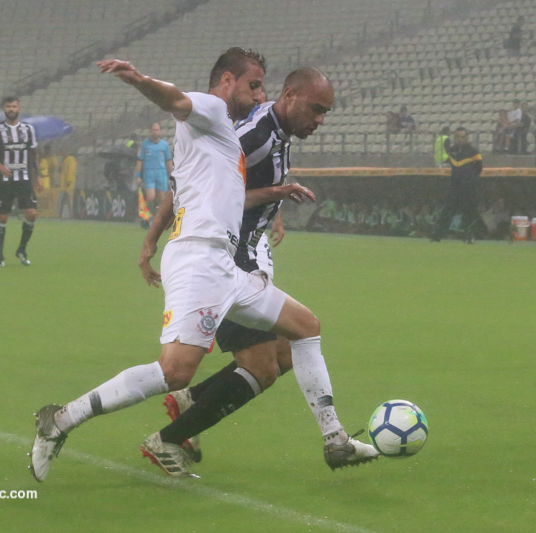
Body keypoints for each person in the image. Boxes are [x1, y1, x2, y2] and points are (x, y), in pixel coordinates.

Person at [29, 48, 377, 482]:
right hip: (200, 259)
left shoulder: (226, 134)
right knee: (173, 371)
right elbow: (176, 100)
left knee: (305, 326)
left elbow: (210, 187)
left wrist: (271, 200)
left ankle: (335, 440)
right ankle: (59, 421)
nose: (259, 95)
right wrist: (137, 78)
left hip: (227, 265)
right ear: (227, 81)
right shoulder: (213, 110)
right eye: (253, 86)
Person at [142, 68, 331, 467]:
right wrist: (151, 238)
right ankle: (168, 439)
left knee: (284, 355)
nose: (320, 120)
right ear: (291, 96)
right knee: (262, 367)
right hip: (224, 258)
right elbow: (186, 186)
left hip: (245, 251)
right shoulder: (254, 134)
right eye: (316, 109)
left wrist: (271, 209)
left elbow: (243, 183)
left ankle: (188, 403)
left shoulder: (275, 129)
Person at [0, 96, 39, 267]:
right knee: (3, 217)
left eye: (14, 106)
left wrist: (38, 176)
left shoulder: (28, 129)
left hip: (24, 178)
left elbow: (33, 153)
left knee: (32, 213)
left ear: (19, 109)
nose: (11, 109)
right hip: (6, 179)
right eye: (8, 106)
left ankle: (22, 249)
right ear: (4, 109)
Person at [431, 127, 483, 243]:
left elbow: (479, 168)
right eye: (458, 137)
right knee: (447, 211)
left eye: (463, 137)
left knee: (469, 212)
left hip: (468, 186)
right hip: (455, 186)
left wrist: (469, 178)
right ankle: (438, 235)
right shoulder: (451, 150)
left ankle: (469, 236)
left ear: (466, 138)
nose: (460, 139)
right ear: (455, 137)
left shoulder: (473, 152)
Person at [135, 122, 173, 216]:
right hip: (149, 174)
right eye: (153, 130)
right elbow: (140, 161)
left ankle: (157, 218)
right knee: (151, 197)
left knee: (162, 200)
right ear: (150, 131)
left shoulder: (164, 145)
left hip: (161, 174)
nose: (155, 132)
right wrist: (137, 176)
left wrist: (172, 175)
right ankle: (146, 215)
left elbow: (168, 161)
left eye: (157, 130)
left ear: (160, 131)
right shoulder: (144, 144)